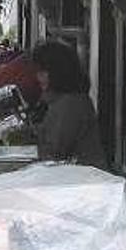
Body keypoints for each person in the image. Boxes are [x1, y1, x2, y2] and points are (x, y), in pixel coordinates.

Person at [31, 40, 106, 168]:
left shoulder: (70, 104)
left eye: (43, 72)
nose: (39, 77)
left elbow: (54, 152)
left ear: (58, 72)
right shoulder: (62, 101)